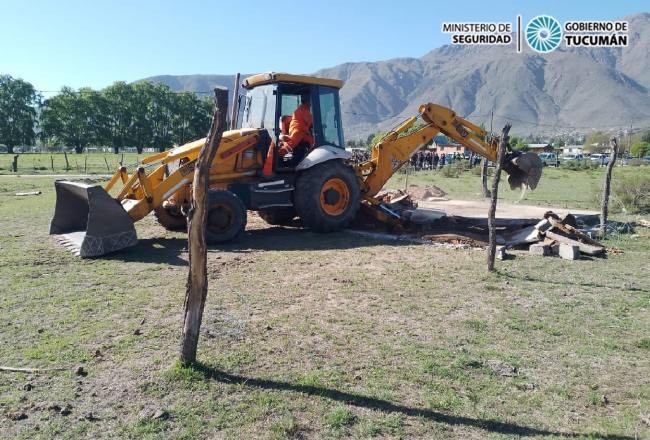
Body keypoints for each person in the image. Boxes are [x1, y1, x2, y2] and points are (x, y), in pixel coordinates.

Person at [278, 93, 315, 164]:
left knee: (311, 140)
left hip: (301, 131)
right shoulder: (304, 110)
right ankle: (279, 155)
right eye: (310, 101)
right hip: (298, 130)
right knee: (290, 145)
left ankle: (302, 158)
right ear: (308, 101)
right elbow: (311, 121)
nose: (311, 104)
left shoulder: (302, 109)